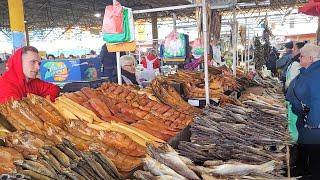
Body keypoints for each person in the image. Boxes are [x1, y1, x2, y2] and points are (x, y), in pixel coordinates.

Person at [286, 43, 320, 178]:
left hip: (314, 131)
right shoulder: (310, 72)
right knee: (309, 159)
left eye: (302, 56)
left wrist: (310, 122)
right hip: (308, 128)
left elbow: (315, 102)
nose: (299, 58)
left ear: (311, 58)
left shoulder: (315, 75)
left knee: (314, 163)